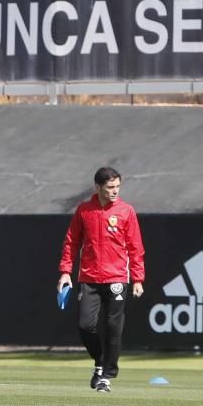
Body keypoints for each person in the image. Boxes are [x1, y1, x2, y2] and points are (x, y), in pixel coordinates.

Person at [57, 166, 145, 393]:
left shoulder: (126, 211)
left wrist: (138, 278)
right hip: (89, 277)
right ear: (98, 187)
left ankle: (106, 376)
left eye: (117, 187)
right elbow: (71, 242)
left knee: (113, 327)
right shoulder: (84, 211)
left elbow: (136, 247)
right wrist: (65, 272)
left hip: (117, 278)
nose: (115, 191)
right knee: (85, 325)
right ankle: (100, 361)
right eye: (110, 187)